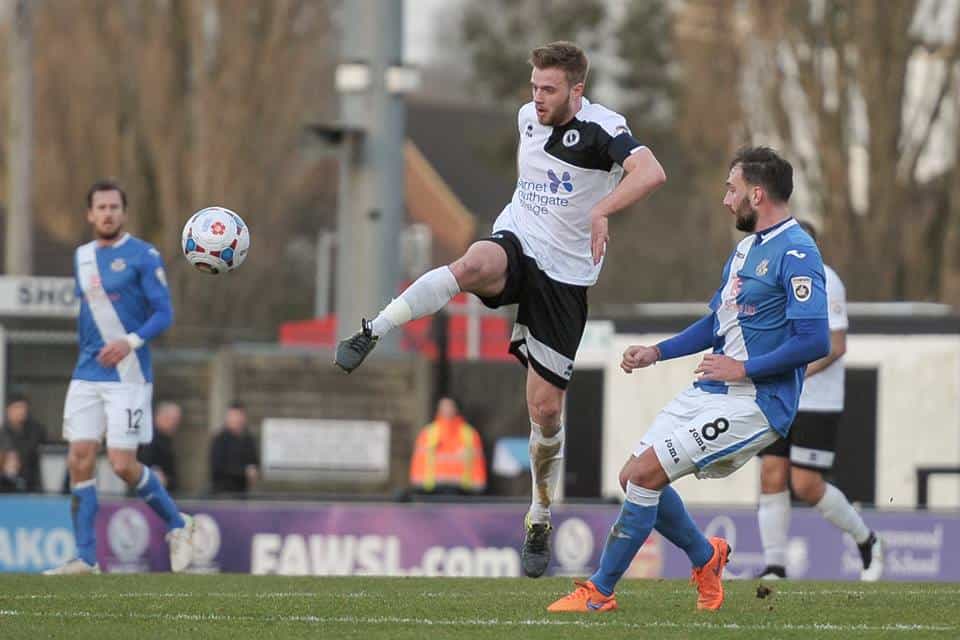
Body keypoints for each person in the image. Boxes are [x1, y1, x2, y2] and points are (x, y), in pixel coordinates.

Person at [335, 41, 666, 577]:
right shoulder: (526, 119)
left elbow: (651, 173)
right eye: (534, 86)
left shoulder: (604, 128)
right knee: (471, 263)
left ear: (576, 92)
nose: (537, 99)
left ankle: (538, 512)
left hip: (564, 280)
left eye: (550, 90)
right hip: (519, 242)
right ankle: (376, 326)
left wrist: (603, 209)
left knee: (545, 411)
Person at [547, 146, 830, 613]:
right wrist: (657, 352)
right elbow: (715, 324)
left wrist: (745, 368)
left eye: (731, 189)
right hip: (711, 391)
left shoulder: (798, 252)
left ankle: (599, 591)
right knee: (633, 477)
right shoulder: (745, 250)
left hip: (756, 402)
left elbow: (815, 339)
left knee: (643, 475)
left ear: (756, 194)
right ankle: (706, 557)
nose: (725, 200)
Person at [44, 180, 195, 575]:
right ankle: (86, 558)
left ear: (123, 213)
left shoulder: (144, 255)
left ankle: (179, 524)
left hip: (128, 375)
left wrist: (129, 342)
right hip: (87, 373)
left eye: (114, 206)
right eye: (101, 207)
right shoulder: (82, 258)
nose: (108, 213)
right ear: (90, 215)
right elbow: (88, 315)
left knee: (123, 465)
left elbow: (164, 314)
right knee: (79, 457)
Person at [756, 221, 882, 581]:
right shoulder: (775, 283)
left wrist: (792, 372)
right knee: (771, 472)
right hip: (782, 397)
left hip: (818, 400)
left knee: (806, 484)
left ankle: (867, 539)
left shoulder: (828, 281)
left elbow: (836, 345)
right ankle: (775, 566)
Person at [409, 397, 487, 495]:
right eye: (443, 407)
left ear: (456, 409)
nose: (447, 410)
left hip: (461, 490)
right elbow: (419, 461)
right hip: (432, 489)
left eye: (450, 406)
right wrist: (417, 486)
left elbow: (477, 462)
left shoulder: (469, 434)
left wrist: (478, 487)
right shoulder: (428, 433)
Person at [209, 402, 260, 495]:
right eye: (233, 416)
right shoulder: (220, 439)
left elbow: (254, 461)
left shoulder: (248, 439)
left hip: (242, 492)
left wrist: (253, 470)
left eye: (239, 416)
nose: (236, 420)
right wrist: (244, 472)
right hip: (223, 493)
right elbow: (218, 468)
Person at [1, 393, 47, 492]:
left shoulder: (36, 431)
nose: (21, 412)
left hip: (34, 484)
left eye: (23, 408)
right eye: (17, 408)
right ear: (8, 410)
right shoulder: (3, 433)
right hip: (7, 487)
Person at [138, 401, 183, 494]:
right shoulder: (149, 439)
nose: (175, 424)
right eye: (171, 419)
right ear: (159, 417)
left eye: (177, 420)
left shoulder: (166, 439)